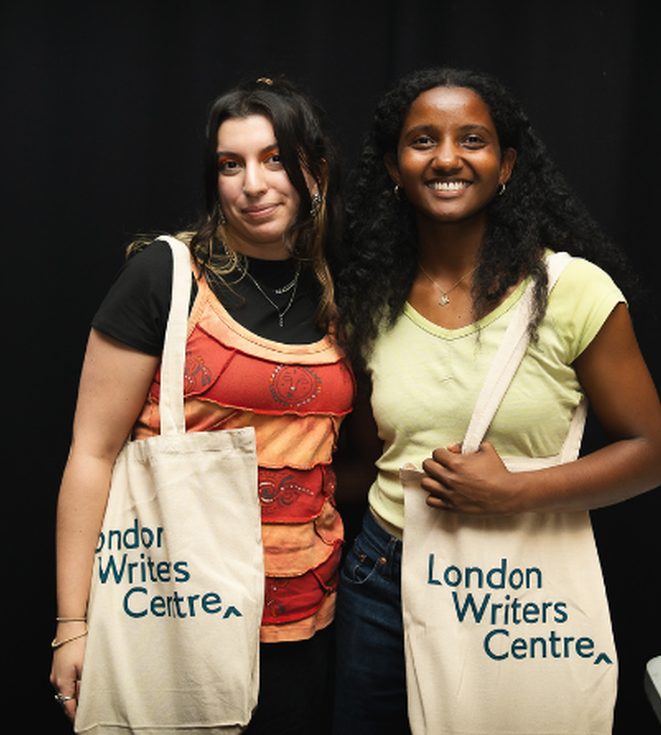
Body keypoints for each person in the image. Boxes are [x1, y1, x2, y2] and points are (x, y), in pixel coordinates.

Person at [331, 67, 661, 733]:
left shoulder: (570, 291)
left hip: (516, 581)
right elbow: (371, 458)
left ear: (504, 164)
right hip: (381, 575)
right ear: (394, 167)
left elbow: (651, 450)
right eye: (421, 141)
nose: (446, 157)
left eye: (471, 140)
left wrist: (513, 492)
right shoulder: (366, 297)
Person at [49, 76, 355, 735]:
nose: (252, 182)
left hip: (304, 615)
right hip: (177, 607)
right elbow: (92, 453)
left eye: (275, 158)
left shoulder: (342, 287)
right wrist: (71, 625)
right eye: (230, 163)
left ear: (316, 169)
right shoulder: (165, 275)